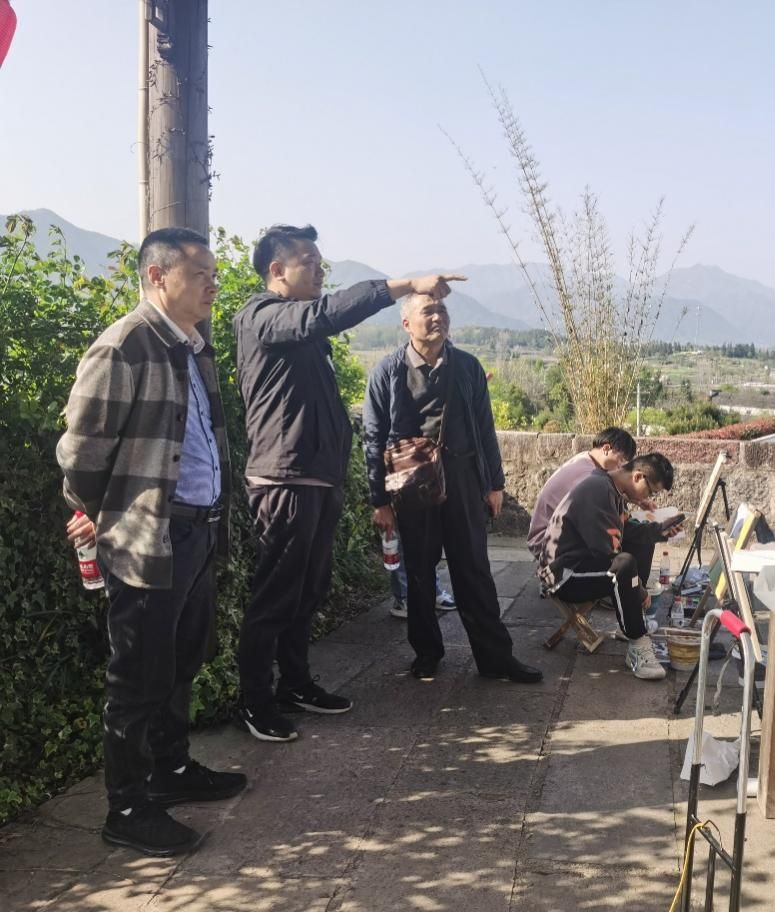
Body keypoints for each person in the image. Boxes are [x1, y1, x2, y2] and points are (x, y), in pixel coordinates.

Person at [233, 224, 463, 741]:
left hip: (317, 479)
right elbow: (325, 314)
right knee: (275, 594)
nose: (319, 271)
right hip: (283, 479)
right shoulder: (261, 316)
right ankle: (255, 701)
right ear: (277, 270)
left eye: (321, 262)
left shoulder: (300, 331)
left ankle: (294, 683)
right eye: (309, 262)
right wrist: (406, 285)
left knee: (308, 589)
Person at [57, 227, 246, 856]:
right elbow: (80, 453)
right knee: (137, 675)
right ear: (158, 277)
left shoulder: (193, 347)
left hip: (196, 531)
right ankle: (128, 807)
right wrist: (102, 511)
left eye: (214, 275)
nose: (212, 285)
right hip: (148, 538)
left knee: (180, 660)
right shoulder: (124, 345)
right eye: (200, 274)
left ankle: (171, 769)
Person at [363, 292, 543, 684]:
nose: (438, 316)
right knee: (420, 573)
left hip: (463, 479)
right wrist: (380, 500)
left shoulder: (466, 366)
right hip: (412, 485)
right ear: (406, 323)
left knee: (474, 570)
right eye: (427, 311)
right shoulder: (388, 371)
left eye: (442, 310)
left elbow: (485, 428)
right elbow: (373, 440)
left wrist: (495, 484)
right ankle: (427, 653)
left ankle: (496, 658)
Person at [536, 453, 679, 681]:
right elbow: (608, 553)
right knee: (624, 565)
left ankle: (630, 620)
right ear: (638, 477)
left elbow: (625, 530)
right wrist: (639, 590)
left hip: (583, 562)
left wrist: (660, 531)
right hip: (563, 575)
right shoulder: (598, 491)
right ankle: (638, 645)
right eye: (651, 492)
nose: (648, 498)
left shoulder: (611, 488)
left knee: (644, 542)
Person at [526, 426, 638, 560]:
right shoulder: (587, 473)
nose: (621, 467)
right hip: (545, 542)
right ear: (606, 449)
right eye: (621, 460)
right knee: (616, 545)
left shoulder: (587, 459)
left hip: (556, 535)